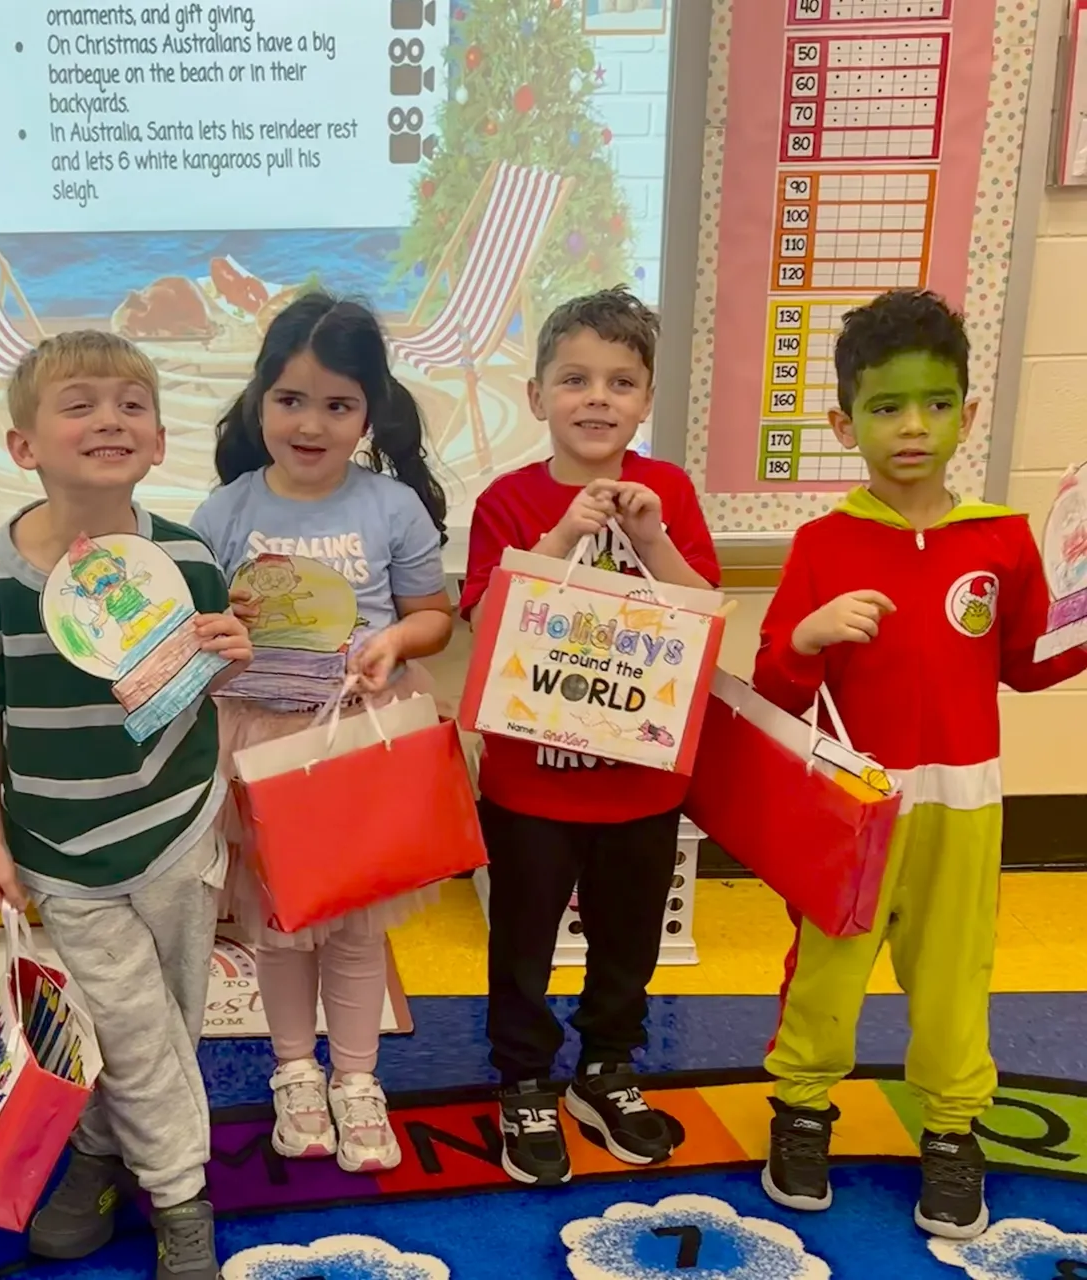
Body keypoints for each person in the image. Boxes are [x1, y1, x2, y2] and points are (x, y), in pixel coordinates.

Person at [752, 289, 1087, 1239]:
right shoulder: (824, 543)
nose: (913, 426)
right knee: (829, 968)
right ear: (843, 420)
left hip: (966, 806)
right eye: (887, 406)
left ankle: (950, 1130)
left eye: (936, 404)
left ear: (968, 413)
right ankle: (802, 1110)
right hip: (855, 809)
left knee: (953, 975)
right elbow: (774, 683)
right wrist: (808, 638)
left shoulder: (1004, 539)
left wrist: (1083, 617)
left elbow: (1027, 667)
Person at [0, 330, 252, 1280]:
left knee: (168, 1023)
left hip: (175, 830)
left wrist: (227, 655)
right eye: (78, 404)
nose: (109, 418)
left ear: (157, 442)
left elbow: (188, 697)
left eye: (130, 405)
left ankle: (102, 1154)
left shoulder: (188, 560)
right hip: (59, 850)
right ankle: (184, 1199)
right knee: (130, 1027)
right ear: (23, 444)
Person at [458, 285, 720, 1188]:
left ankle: (606, 1067)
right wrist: (559, 532)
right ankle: (525, 1078)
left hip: (643, 780)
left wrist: (652, 541)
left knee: (627, 939)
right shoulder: (506, 500)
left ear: (647, 399)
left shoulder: (671, 490)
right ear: (537, 397)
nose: (597, 397)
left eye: (620, 380)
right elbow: (486, 618)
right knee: (523, 939)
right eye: (574, 379)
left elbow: (700, 614)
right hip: (532, 784)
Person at [189, 293, 454, 1173]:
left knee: (353, 922)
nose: (311, 424)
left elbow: (433, 618)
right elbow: (193, 631)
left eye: (338, 405)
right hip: (257, 743)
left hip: (357, 740)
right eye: (291, 400)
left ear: (369, 411)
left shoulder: (390, 508)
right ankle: (294, 1072)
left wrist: (393, 642)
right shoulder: (223, 512)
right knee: (276, 916)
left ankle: (357, 1079)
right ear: (260, 399)